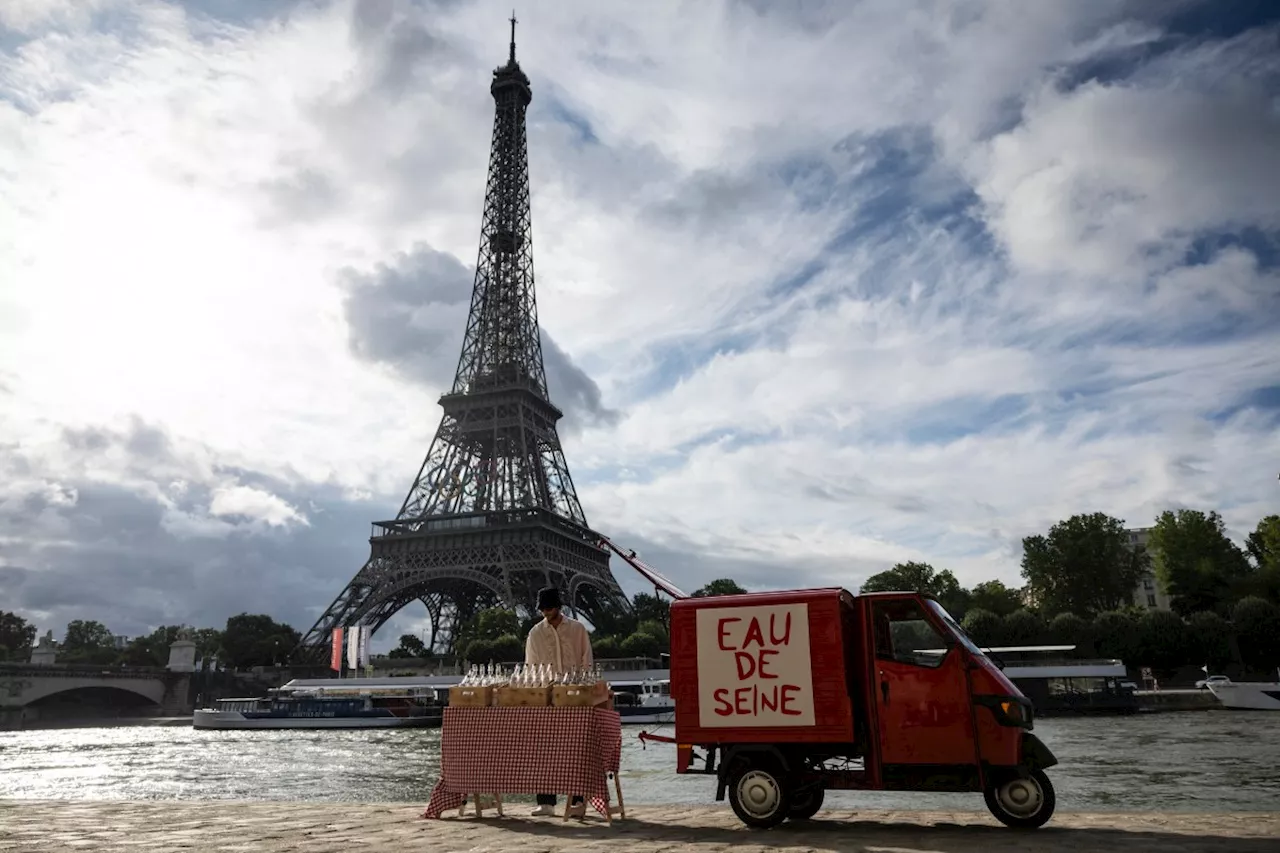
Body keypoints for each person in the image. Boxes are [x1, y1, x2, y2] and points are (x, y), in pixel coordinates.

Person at [525, 586, 593, 817]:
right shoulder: (534, 633)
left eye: (549, 608)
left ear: (559, 607)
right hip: (547, 698)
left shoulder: (577, 629)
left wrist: (585, 690)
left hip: (574, 696)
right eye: (542, 608)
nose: (546, 612)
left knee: (576, 751)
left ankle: (577, 802)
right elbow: (530, 666)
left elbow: (587, 661)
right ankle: (546, 803)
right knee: (543, 751)